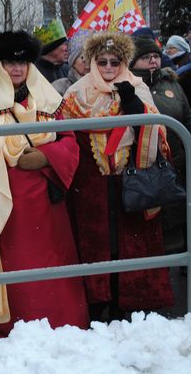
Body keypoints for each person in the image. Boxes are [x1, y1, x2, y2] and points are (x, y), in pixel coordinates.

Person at [0, 30, 88, 346]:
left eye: (23, 62)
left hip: (45, 201)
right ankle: (7, 331)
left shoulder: (48, 101)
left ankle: (61, 324)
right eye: (10, 62)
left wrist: (45, 156)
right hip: (2, 204)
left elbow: (69, 141)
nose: (17, 69)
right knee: (14, 266)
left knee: (49, 265)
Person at [62, 32, 174, 322]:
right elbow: (62, 134)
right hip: (90, 186)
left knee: (130, 244)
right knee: (96, 246)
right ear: (92, 63)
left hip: (131, 179)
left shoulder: (138, 88)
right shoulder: (76, 93)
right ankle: (98, 301)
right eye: (102, 61)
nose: (109, 67)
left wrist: (133, 106)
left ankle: (132, 302)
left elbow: (157, 132)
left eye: (115, 61)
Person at [130, 36, 191, 253]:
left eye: (156, 56)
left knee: (177, 228)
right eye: (146, 57)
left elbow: (187, 119)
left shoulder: (172, 83)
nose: (153, 61)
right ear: (132, 61)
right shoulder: (128, 87)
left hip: (177, 166)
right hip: (144, 171)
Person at [51, 28, 93, 96]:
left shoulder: (104, 88)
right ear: (73, 61)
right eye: (83, 58)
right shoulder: (59, 87)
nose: (88, 63)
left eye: (92, 58)